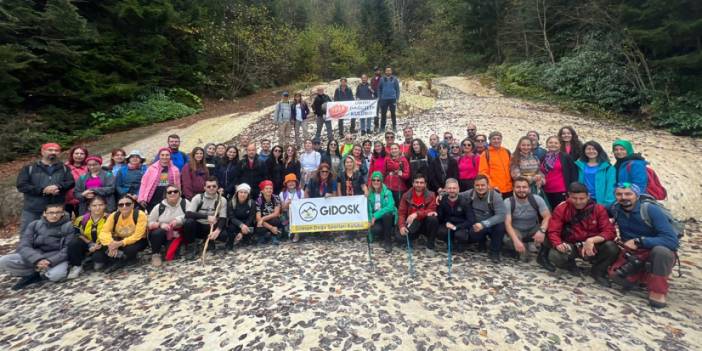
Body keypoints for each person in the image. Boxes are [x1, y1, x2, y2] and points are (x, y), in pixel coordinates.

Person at [611, 183, 679, 308]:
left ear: (636, 196)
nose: (623, 197)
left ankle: (658, 291)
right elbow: (597, 211)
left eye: (628, 194)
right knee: (617, 278)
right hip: (633, 253)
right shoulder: (616, 208)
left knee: (662, 252)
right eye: (619, 194)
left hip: (654, 250)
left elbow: (672, 241)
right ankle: (642, 277)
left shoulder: (650, 210)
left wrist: (640, 241)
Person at [546, 182, 618, 285]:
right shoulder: (562, 209)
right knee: (555, 255)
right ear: (568, 196)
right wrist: (558, 244)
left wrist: (593, 240)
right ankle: (570, 264)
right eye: (574, 198)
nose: (578, 202)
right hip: (572, 244)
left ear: (588, 196)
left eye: (582, 198)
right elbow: (553, 230)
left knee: (612, 247)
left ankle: (598, 270)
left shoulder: (599, 209)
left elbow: (609, 231)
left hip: (593, 245)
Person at [0, 203, 73, 289]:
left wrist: (50, 261)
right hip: (35, 256)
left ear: (63, 213)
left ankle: (41, 274)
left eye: (58, 212)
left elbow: (67, 249)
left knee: (56, 276)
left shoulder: (69, 226)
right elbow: (24, 245)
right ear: (44, 213)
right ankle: (34, 273)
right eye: (51, 212)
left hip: (55, 257)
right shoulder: (34, 225)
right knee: (4, 260)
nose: (54, 215)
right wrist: (37, 259)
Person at [16, 143, 74, 233]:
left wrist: (58, 187)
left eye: (56, 150)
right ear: (42, 152)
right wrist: (43, 190)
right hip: (34, 210)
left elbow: (70, 182)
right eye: (50, 150)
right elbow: (22, 185)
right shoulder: (29, 168)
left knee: (58, 235)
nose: (53, 152)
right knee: (28, 234)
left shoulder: (64, 168)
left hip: (57, 209)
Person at [457, 175, 506, 262]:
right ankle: (481, 242)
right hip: (476, 225)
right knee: (472, 234)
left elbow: (501, 215)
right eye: (477, 185)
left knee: (500, 226)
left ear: (488, 185)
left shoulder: (495, 196)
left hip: (490, 224)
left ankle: (494, 252)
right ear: (474, 186)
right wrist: (442, 195)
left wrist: (484, 224)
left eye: (483, 185)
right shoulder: (470, 193)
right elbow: (456, 194)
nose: (480, 187)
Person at [95, 194, 148, 273]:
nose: (124, 206)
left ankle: (121, 260)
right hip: (118, 240)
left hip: (137, 241)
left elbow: (137, 236)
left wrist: (120, 243)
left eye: (127, 204)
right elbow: (104, 232)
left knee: (130, 249)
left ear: (133, 205)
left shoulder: (140, 215)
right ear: (118, 207)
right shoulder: (114, 215)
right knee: (97, 255)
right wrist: (111, 243)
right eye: (121, 205)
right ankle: (123, 259)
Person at [504, 177, 551, 264]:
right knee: (524, 259)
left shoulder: (537, 199)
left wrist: (542, 230)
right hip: (517, 231)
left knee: (550, 228)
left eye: (524, 187)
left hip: (532, 229)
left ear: (529, 189)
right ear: (513, 188)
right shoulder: (508, 202)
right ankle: (522, 246)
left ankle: (543, 255)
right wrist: (516, 241)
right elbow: (507, 223)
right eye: (518, 187)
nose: (521, 190)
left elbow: (547, 216)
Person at [183, 177, 227, 259]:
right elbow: (188, 214)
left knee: (224, 235)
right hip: (199, 226)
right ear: (204, 188)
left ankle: (210, 241)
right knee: (188, 222)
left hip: (212, 227)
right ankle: (191, 247)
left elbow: (223, 218)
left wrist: (217, 231)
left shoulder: (222, 200)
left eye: (214, 186)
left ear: (217, 187)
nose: (211, 188)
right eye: (209, 186)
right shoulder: (198, 198)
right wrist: (207, 217)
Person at [67, 196, 108, 279]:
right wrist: (90, 244)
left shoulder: (110, 218)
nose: (98, 208)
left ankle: (98, 259)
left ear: (105, 206)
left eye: (101, 205)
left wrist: (98, 245)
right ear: (89, 207)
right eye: (94, 205)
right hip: (88, 243)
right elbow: (77, 234)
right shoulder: (81, 219)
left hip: (103, 244)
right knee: (73, 243)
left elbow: (112, 234)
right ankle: (77, 266)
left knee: (98, 265)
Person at [398, 173, 439, 256]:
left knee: (433, 218)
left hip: (425, 223)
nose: (419, 184)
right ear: (413, 183)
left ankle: (430, 246)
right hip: (412, 223)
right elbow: (401, 212)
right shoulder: (406, 195)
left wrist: (416, 214)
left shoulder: (431, 195)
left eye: (421, 182)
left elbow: (431, 210)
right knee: (399, 238)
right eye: (416, 182)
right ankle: (414, 238)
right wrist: (401, 226)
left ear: (425, 184)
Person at [147, 184, 187, 266]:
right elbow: (149, 223)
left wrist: (178, 220)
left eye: (175, 191)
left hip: (178, 233)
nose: (172, 193)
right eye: (169, 192)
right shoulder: (159, 207)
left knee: (174, 253)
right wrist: (160, 224)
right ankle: (155, 254)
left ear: (179, 193)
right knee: (157, 232)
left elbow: (190, 215)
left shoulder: (185, 203)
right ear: (165, 195)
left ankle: (187, 246)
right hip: (164, 233)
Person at [437, 178, 476, 252]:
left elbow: (471, 220)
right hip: (448, 224)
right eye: (449, 188)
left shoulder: (465, 201)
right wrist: (446, 223)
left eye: (454, 188)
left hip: (461, 225)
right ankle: (450, 242)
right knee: (441, 231)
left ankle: (461, 243)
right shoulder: (442, 200)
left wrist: (456, 227)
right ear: (446, 189)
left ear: (458, 189)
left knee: (460, 235)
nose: (452, 190)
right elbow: (440, 217)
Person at [540, 136, 579, 208]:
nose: (553, 144)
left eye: (556, 143)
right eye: (550, 142)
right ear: (547, 144)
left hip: (561, 190)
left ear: (560, 145)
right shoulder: (544, 157)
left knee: (561, 213)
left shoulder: (566, 157)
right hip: (546, 190)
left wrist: (572, 190)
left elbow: (573, 174)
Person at [138, 148, 181, 212]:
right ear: (159, 156)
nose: (165, 157)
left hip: (168, 197)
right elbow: (144, 183)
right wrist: (141, 198)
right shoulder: (151, 168)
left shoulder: (175, 170)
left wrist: (178, 197)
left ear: (170, 156)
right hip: (153, 197)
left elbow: (178, 185)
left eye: (167, 155)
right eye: (162, 155)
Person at [576, 141, 616, 207]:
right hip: (582, 199)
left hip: (600, 201)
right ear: (584, 151)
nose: (591, 151)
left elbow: (610, 186)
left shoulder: (608, 167)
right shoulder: (579, 165)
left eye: (594, 149)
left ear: (599, 151)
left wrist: (608, 203)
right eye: (588, 149)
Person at [368, 171, 398, 253]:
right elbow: (369, 209)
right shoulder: (369, 194)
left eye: (378, 180)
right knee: (376, 230)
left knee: (387, 215)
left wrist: (375, 216)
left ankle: (388, 241)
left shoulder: (387, 192)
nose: (376, 182)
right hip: (377, 218)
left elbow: (390, 207)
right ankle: (382, 234)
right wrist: (371, 218)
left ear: (381, 181)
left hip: (387, 217)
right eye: (374, 180)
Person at [478, 131, 513, 198]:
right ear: (490, 140)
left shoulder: (506, 152)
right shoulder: (485, 154)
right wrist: (492, 186)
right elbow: (483, 173)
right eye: (494, 139)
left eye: (498, 138)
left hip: (509, 188)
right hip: (495, 189)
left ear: (501, 139)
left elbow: (511, 168)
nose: (496, 141)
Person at [226, 184, 256, 248]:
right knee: (231, 228)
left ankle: (246, 238)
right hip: (236, 223)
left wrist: (242, 231)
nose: (243, 194)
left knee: (252, 228)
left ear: (248, 194)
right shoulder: (231, 202)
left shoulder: (252, 203)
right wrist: (241, 225)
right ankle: (231, 241)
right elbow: (231, 217)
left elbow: (251, 217)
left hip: (247, 223)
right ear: (237, 193)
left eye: (245, 192)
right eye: (241, 192)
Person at [255, 180, 282, 245]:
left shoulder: (276, 198)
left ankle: (274, 237)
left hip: (272, 218)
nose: (269, 190)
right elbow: (258, 218)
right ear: (262, 191)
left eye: (270, 188)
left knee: (276, 220)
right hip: (263, 222)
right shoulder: (258, 200)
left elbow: (276, 213)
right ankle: (262, 237)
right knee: (259, 225)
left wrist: (263, 219)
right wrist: (271, 228)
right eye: (266, 188)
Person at [64, 146, 89, 217]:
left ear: (85, 155)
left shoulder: (89, 167)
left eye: (82, 154)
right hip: (66, 201)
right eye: (76, 153)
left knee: (82, 222)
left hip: (82, 200)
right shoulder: (64, 167)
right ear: (72, 154)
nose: (79, 155)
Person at [279, 174, 304, 242]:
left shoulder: (301, 192)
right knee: (284, 216)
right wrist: (287, 204)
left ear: (296, 183)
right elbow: (282, 208)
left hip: (299, 214)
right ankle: (290, 232)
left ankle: (296, 233)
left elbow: (304, 205)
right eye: (289, 182)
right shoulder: (282, 194)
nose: (291, 183)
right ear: (286, 184)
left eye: (293, 181)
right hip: (287, 214)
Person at [378, 66, 400, 132]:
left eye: (389, 70)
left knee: (393, 113)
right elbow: (379, 89)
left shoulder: (395, 79)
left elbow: (397, 89)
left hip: (392, 98)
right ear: (385, 71)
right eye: (387, 70)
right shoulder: (382, 79)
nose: (388, 72)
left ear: (391, 71)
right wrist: (380, 97)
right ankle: (382, 127)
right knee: (383, 114)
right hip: (384, 99)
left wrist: (397, 98)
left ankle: (394, 126)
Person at [371, 66, 382, 133]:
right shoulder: (372, 79)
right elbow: (372, 88)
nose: (377, 71)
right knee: (376, 113)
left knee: (383, 112)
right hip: (375, 98)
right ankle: (376, 125)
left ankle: (383, 126)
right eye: (376, 70)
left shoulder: (383, 78)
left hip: (383, 97)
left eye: (378, 70)